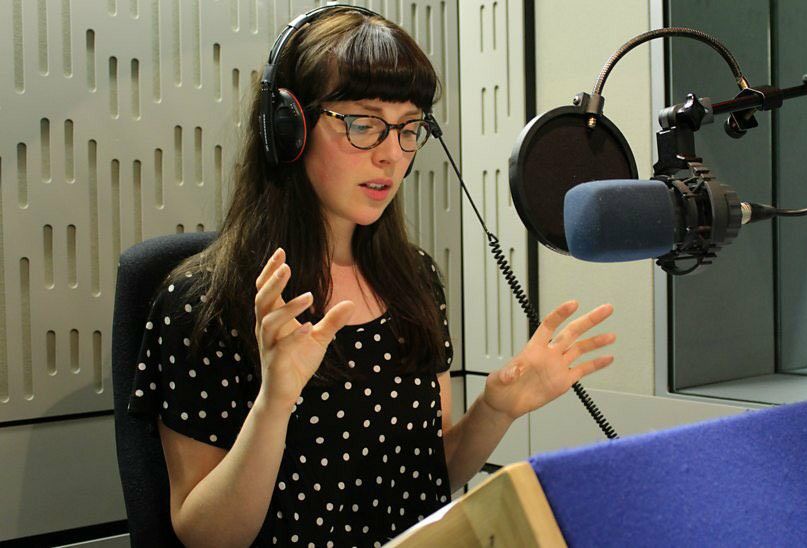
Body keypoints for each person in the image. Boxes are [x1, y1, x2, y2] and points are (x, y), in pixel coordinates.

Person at [127, 6, 616, 547]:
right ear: (290, 127)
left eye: (409, 128)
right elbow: (206, 536)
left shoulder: (415, 279)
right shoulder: (203, 301)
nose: (391, 156)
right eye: (363, 124)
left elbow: (426, 481)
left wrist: (495, 410)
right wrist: (274, 402)